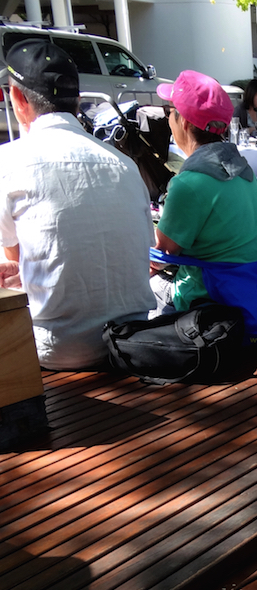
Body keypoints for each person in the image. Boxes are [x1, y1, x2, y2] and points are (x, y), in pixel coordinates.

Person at [0, 38, 155, 371]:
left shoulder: (8, 162)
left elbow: (10, 267)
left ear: (16, 97)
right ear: (78, 101)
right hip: (131, 340)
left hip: (57, 350)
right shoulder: (123, 163)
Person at [150, 70, 257, 315]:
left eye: (168, 112)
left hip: (208, 298)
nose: (168, 120)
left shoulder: (189, 183)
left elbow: (160, 256)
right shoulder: (244, 170)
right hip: (252, 288)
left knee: (145, 286)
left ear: (183, 121)